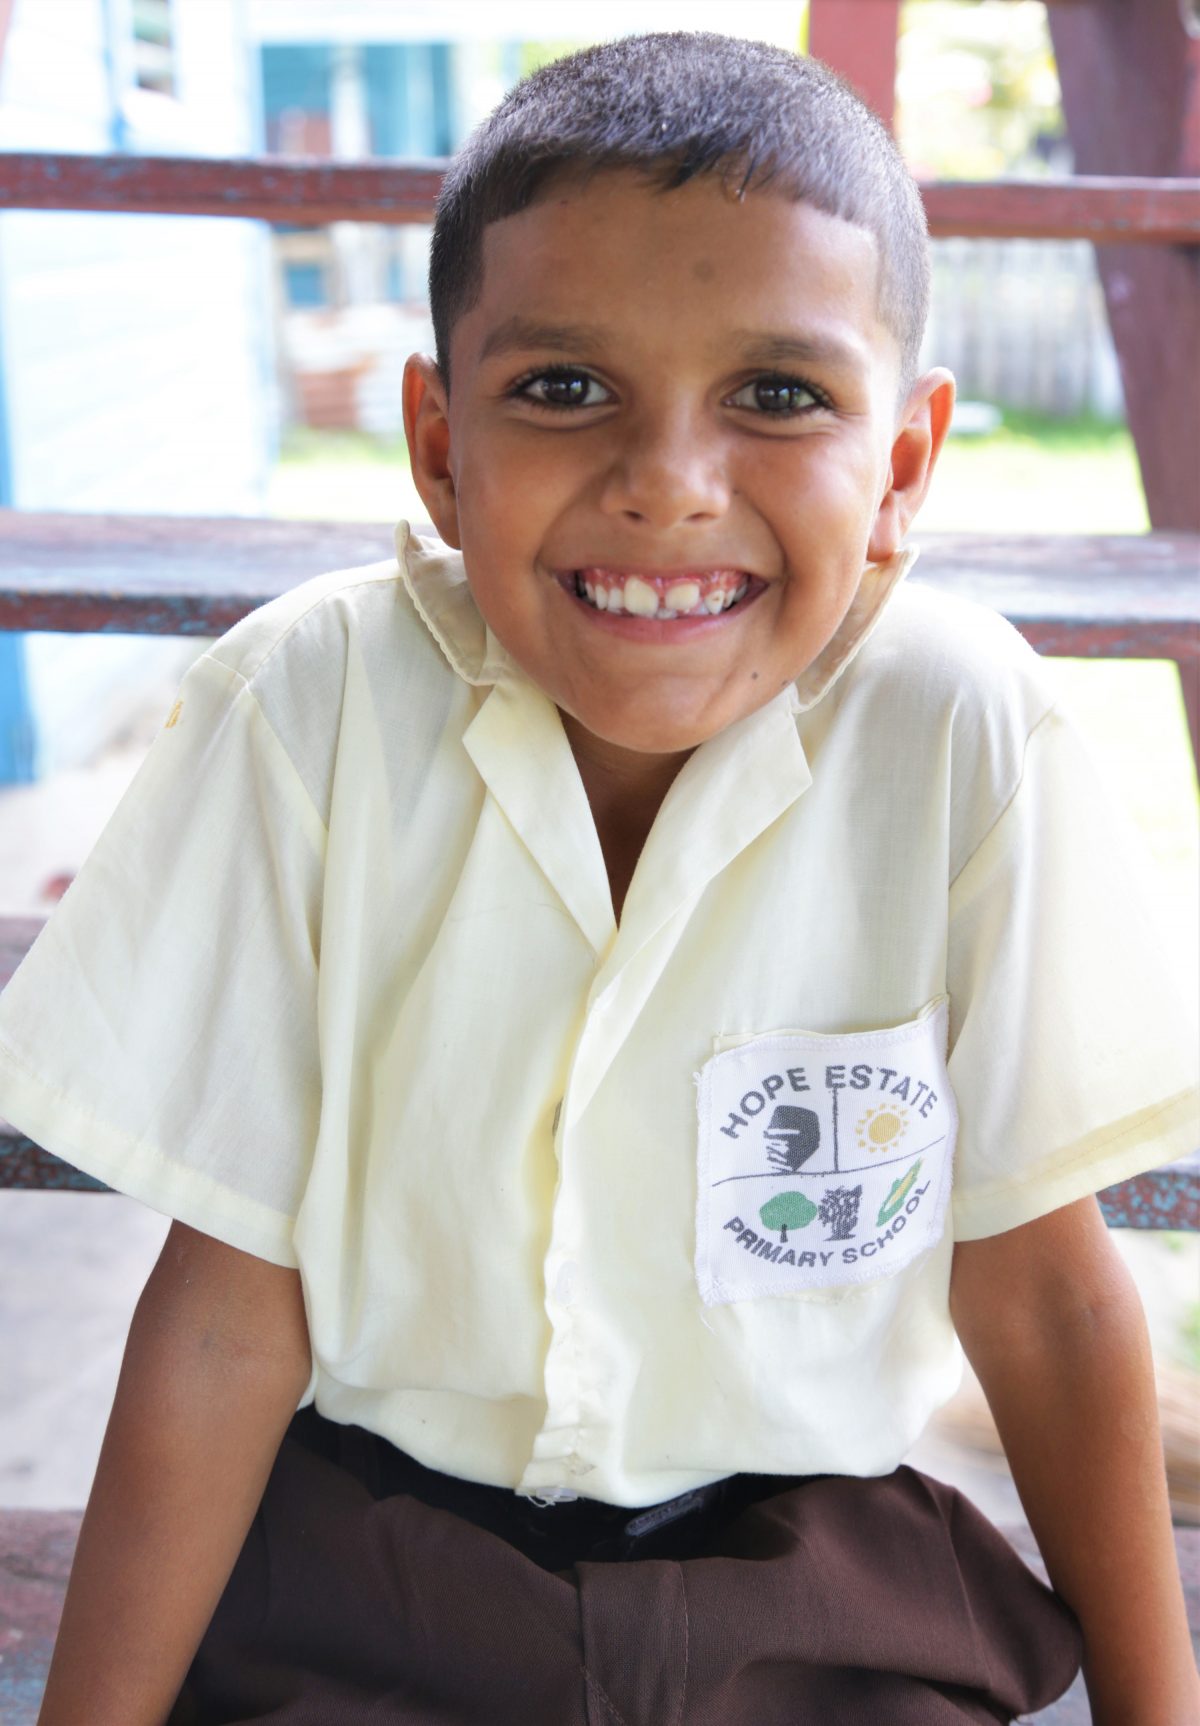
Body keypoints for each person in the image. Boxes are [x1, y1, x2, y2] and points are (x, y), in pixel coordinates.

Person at [0, 31, 1196, 1726]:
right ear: (434, 440)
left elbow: (1047, 1291)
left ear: (907, 466)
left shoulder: (960, 733)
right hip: (369, 1573)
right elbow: (223, 1312)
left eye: (779, 394)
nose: (666, 486)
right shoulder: (306, 714)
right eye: (564, 388)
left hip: (825, 1585)